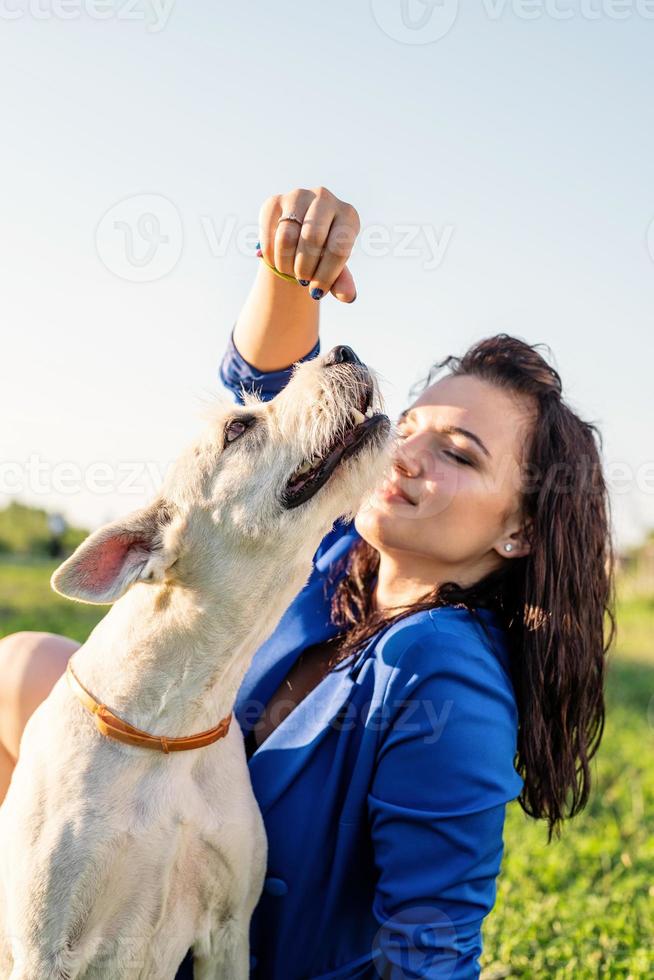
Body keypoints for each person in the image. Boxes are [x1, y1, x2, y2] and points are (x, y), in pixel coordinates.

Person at [0, 187, 614, 979]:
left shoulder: (447, 675)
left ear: (520, 530)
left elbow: (432, 945)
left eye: (458, 454)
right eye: (413, 428)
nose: (410, 456)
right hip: (151, 857)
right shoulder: (331, 558)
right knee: (21, 668)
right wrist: (291, 269)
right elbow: (264, 424)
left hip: (248, 945)